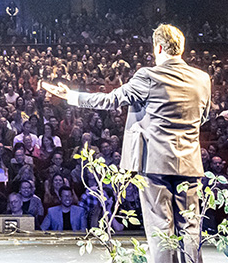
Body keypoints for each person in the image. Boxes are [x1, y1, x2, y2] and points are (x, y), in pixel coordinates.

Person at [44, 23, 211, 263]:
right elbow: (202, 117)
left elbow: (111, 100)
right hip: (190, 163)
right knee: (191, 225)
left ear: (159, 47)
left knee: (161, 227)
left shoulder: (149, 76)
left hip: (155, 165)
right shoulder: (202, 79)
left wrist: (71, 96)